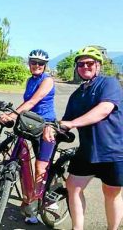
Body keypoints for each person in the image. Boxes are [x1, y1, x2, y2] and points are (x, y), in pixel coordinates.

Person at [44, 46, 123, 230]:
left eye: (90, 63)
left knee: (111, 192)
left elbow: (104, 110)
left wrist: (72, 124)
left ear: (98, 65)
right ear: (77, 68)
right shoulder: (77, 94)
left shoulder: (108, 83)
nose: (85, 67)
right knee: (73, 186)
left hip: (114, 149)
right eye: (81, 64)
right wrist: (52, 127)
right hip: (87, 150)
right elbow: (66, 120)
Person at [0, 49, 56, 224]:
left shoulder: (47, 80)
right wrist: (12, 115)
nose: (37, 66)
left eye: (40, 63)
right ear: (29, 64)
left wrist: (13, 115)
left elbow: (32, 102)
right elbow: (27, 104)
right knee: (20, 160)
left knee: (40, 167)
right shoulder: (29, 80)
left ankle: (47, 199)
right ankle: (28, 198)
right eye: (33, 62)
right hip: (30, 123)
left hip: (46, 125)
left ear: (45, 66)